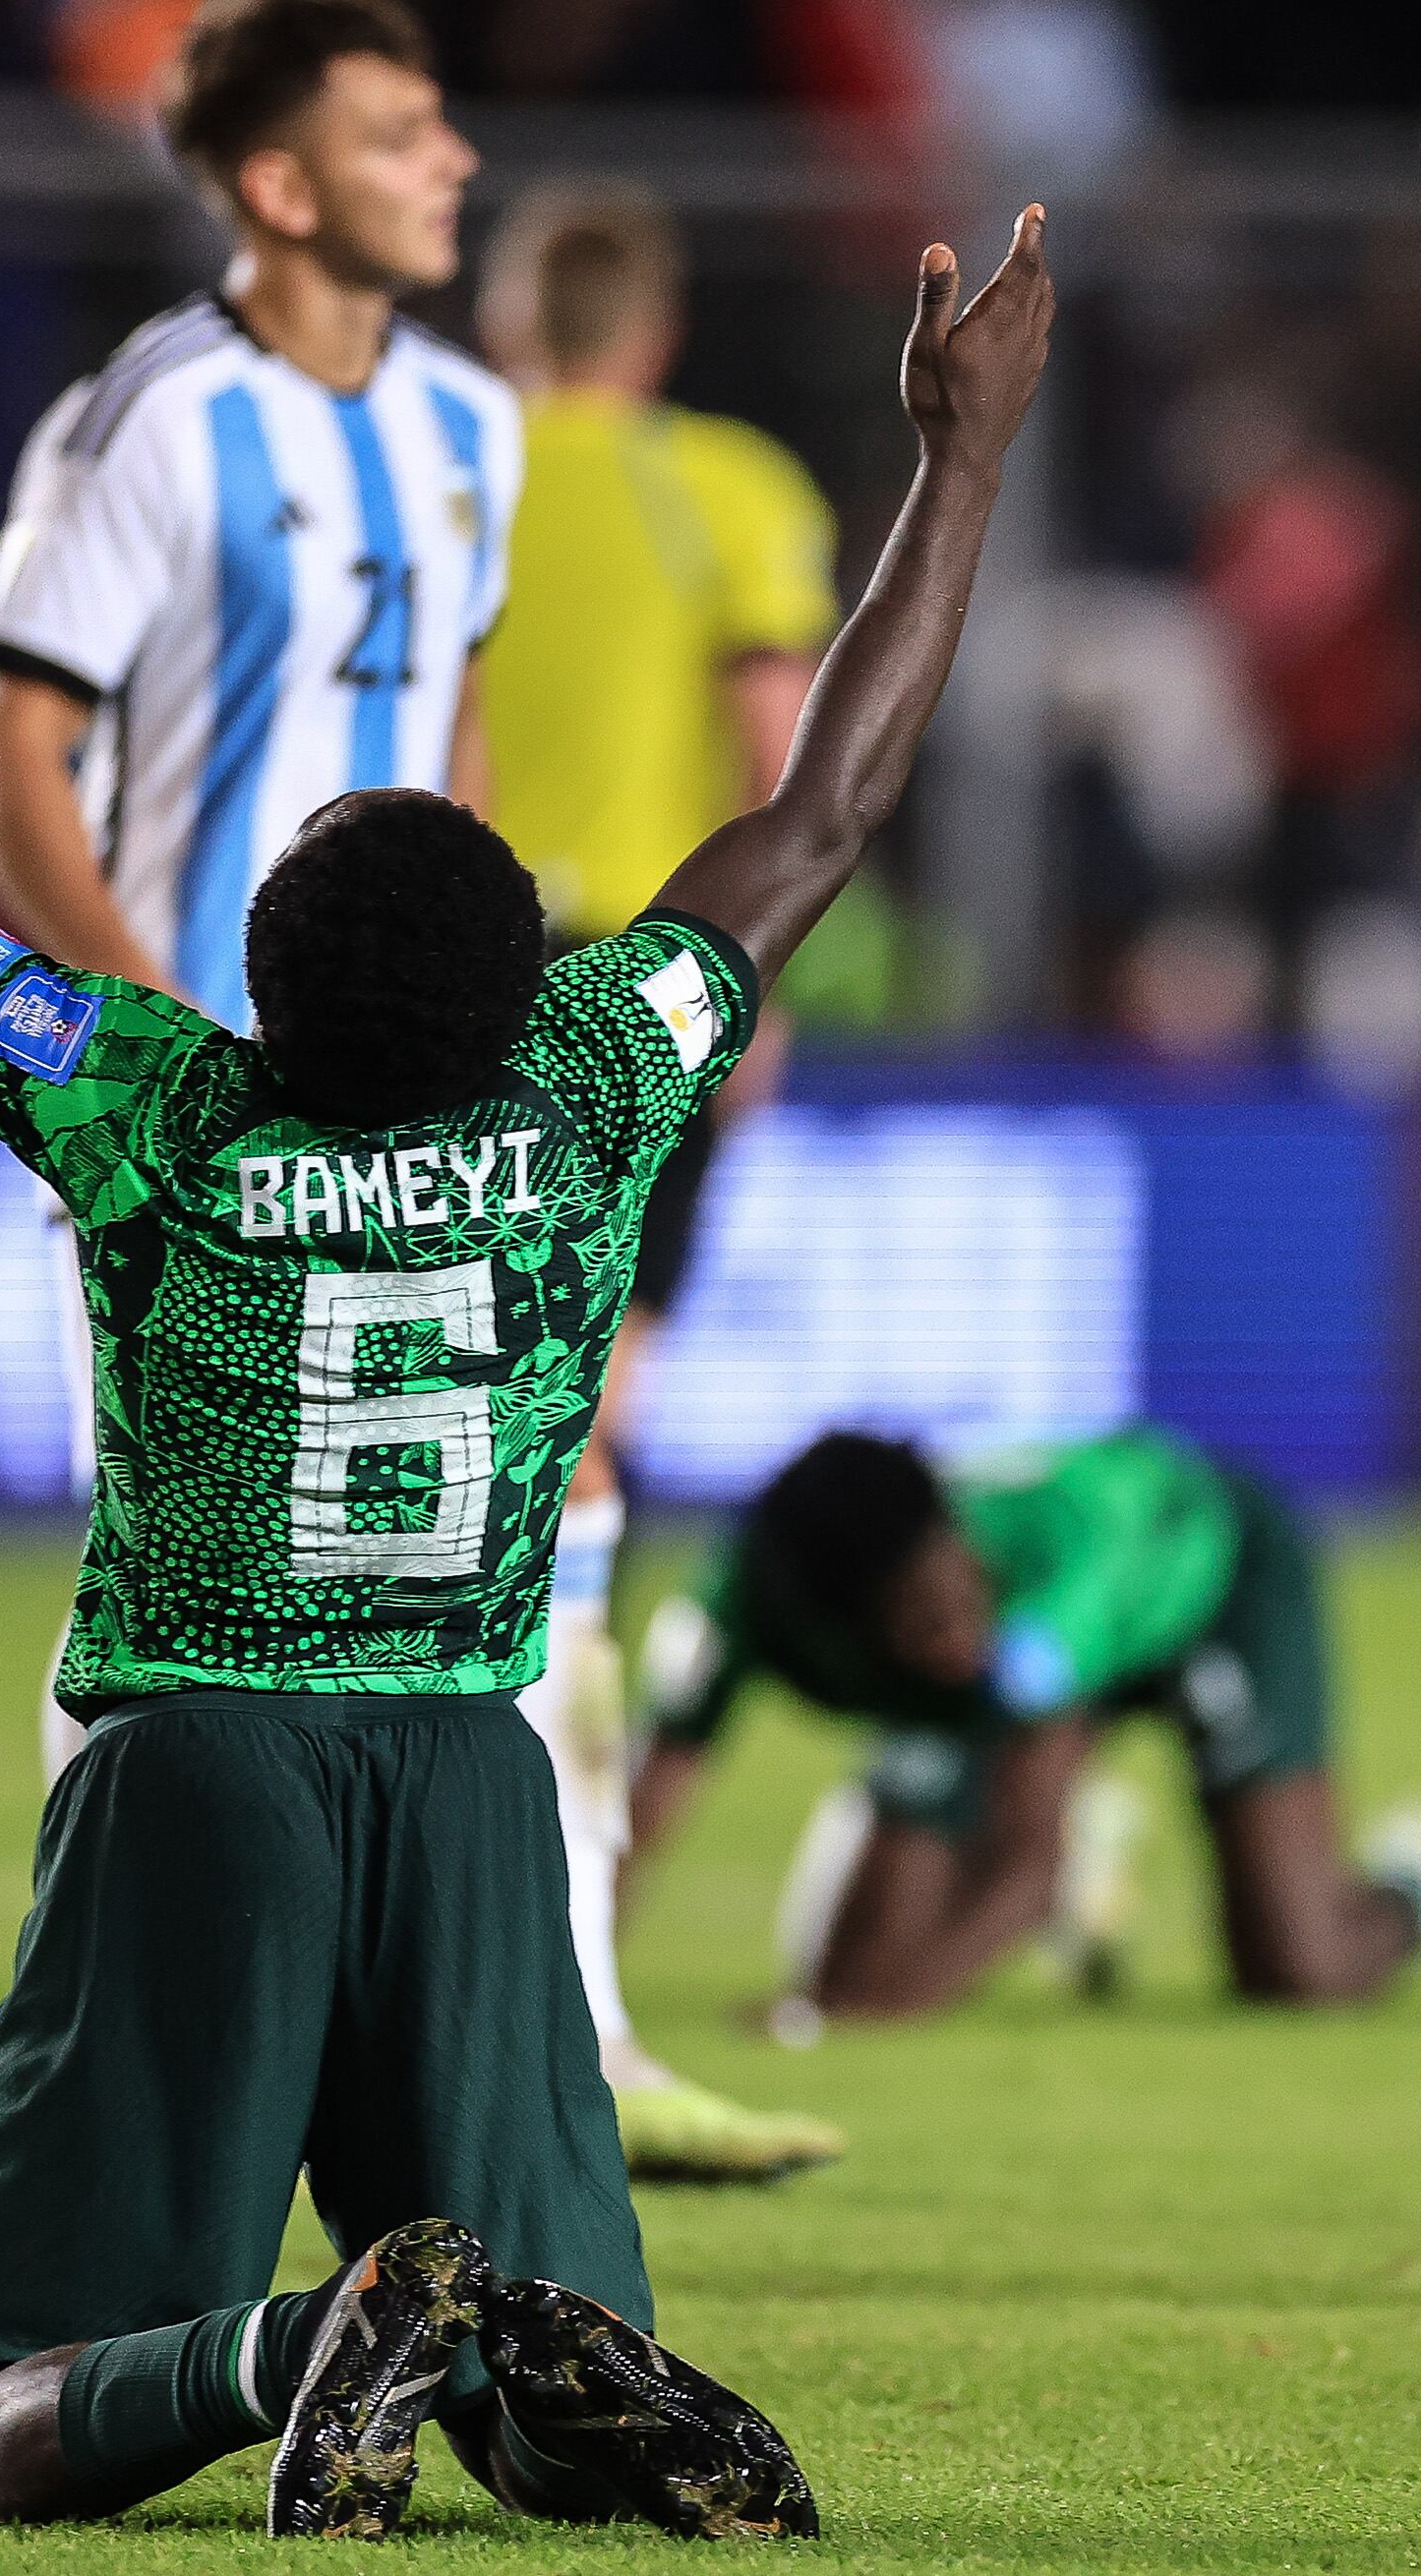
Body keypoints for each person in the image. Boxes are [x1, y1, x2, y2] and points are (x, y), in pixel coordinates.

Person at [0, 178, 1049, 2526]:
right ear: (510, 980)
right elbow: (825, 811)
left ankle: (301, 2336)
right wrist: (960, 460)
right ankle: (514, 2357)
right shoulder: (593, 1084)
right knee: (548, 2413)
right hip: (475, 1792)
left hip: (202, 1775)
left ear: (259, 984)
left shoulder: (148, 1103)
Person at [0, 0, 806, 2177]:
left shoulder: (460, 424)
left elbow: (452, 742)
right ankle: (132, 2073)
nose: (454, 161)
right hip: (207, 1096)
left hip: (419, 1071)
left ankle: (572, 2039)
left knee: (550, 1511)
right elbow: (5, 744)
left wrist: (482, 993)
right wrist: (149, 1038)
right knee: (175, 1584)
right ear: (274, 180)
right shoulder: (150, 421)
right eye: (402, 131)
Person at [471, 176, 847, 2176]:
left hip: (450, 953)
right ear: (655, 323)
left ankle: (523, 1954)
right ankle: (571, 1981)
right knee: (589, 1430)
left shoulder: (436, 459)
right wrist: (749, 986)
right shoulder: (725, 487)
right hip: (637, 971)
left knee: (494, 1410)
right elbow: (780, 737)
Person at [634, 1425, 1421, 2022]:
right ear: (839, 1627)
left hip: (1209, 1578)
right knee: (856, 1957)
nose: (952, 1641)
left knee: (1299, 1968)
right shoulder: (742, 1603)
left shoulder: (1041, 1587)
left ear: (959, 1538)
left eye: (956, 1603)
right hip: (1029, 1667)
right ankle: (1096, 1844)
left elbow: (1023, 1867)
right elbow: (634, 1804)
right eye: (917, 1627)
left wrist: (867, 2013)